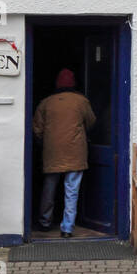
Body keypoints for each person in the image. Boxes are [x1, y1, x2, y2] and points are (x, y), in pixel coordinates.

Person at [32, 68, 97, 238]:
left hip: (52, 151)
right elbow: (91, 122)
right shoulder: (82, 101)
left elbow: (37, 128)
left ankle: (44, 222)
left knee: (49, 188)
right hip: (75, 152)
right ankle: (67, 228)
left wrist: (44, 143)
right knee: (72, 190)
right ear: (73, 83)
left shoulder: (46, 103)